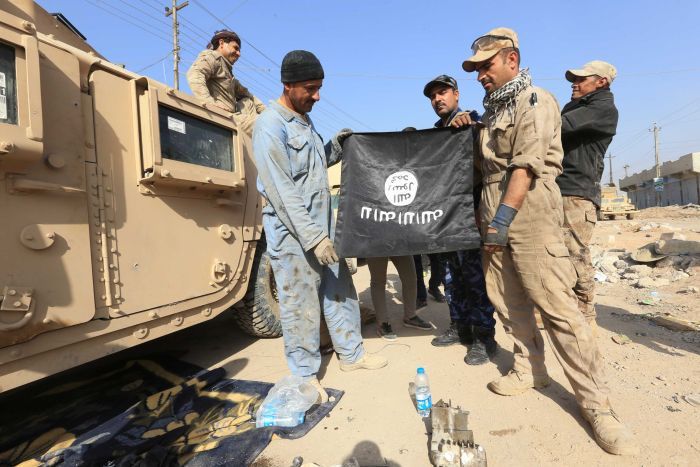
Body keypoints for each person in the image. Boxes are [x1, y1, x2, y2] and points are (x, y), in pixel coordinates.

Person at [453, 28, 637, 455]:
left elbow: (526, 165)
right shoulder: (494, 111)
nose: (480, 74)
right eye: (476, 68)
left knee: (557, 308)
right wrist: (468, 126)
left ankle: (598, 408)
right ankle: (529, 369)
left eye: (487, 65)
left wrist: (503, 218)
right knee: (507, 299)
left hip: (528, 209)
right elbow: (489, 165)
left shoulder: (534, 100)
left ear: (511, 60)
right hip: (494, 210)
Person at [253, 50, 387, 402]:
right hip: (295, 237)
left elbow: (310, 171)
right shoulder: (270, 126)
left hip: (323, 230)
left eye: (319, 88)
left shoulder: (304, 123)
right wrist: (314, 239)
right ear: (288, 85)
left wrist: (333, 149)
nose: (317, 96)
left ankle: (352, 355)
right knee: (301, 304)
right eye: (310, 89)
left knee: (339, 291)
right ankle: (303, 374)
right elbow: (282, 191)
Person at [422, 75, 498, 365]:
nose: (437, 99)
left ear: (456, 94)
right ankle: (460, 326)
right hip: (445, 219)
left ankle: (483, 336)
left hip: (469, 216)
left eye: (442, 93)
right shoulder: (436, 135)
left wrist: (470, 126)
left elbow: (487, 147)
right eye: (432, 96)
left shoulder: (471, 122)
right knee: (452, 278)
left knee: (475, 278)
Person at [557, 61, 619, 331]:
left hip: (577, 193)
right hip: (559, 189)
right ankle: (565, 312)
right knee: (556, 255)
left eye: (582, 79)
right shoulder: (577, 107)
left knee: (574, 255)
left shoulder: (602, 108)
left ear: (601, 82)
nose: (575, 82)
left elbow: (561, 126)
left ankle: (585, 316)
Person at [187, 30, 265, 136]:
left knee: (248, 101)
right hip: (225, 119)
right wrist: (209, 103)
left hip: (233, 117)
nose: (239, 54)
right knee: (266, 128)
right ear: (221, 43)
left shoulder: (226, 70)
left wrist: (268, 113)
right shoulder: (213, 58)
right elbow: (195, 74)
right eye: (235, 48)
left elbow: (246, 94)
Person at [367, 254, 432, 340]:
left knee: (410, 277)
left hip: (399, 242)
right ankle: (383, 323)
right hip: (374, 244)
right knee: (378, 281)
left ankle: (410, 316)